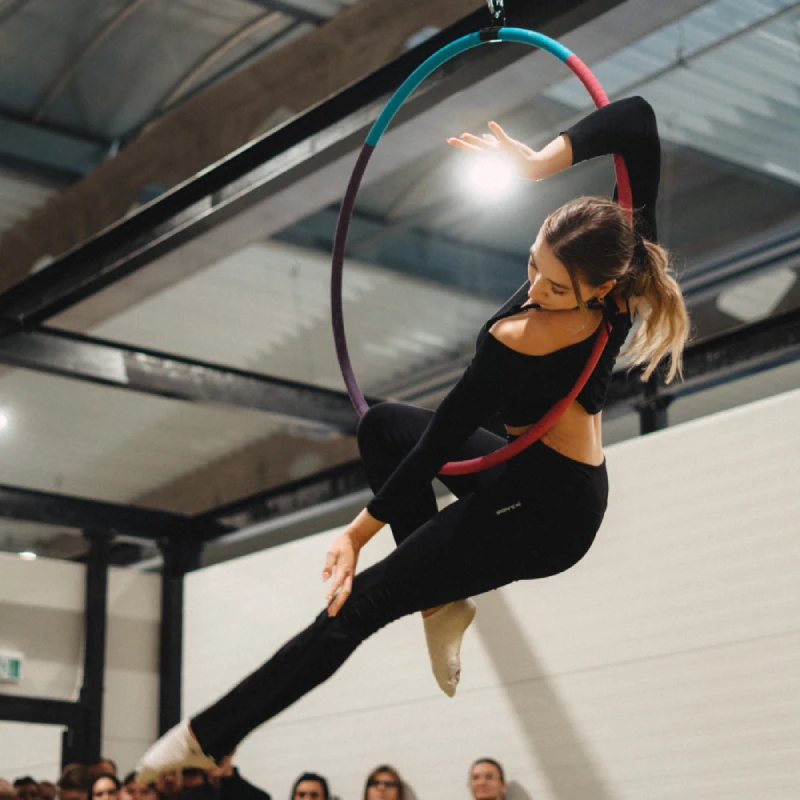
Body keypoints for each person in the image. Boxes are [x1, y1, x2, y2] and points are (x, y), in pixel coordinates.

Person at [135, 94, 688, 780]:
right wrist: (541, 160)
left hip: (550, 519)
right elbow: (636, 120)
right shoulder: (626, 270)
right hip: (528, 474)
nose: (534, 289)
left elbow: (443, 443)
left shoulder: (517, 342)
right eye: (533, 266)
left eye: (553, 287)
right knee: (384, 425)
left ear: (596, 289)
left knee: (360, 604)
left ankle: (207, 735)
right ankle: (440, 598)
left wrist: (357, 534)